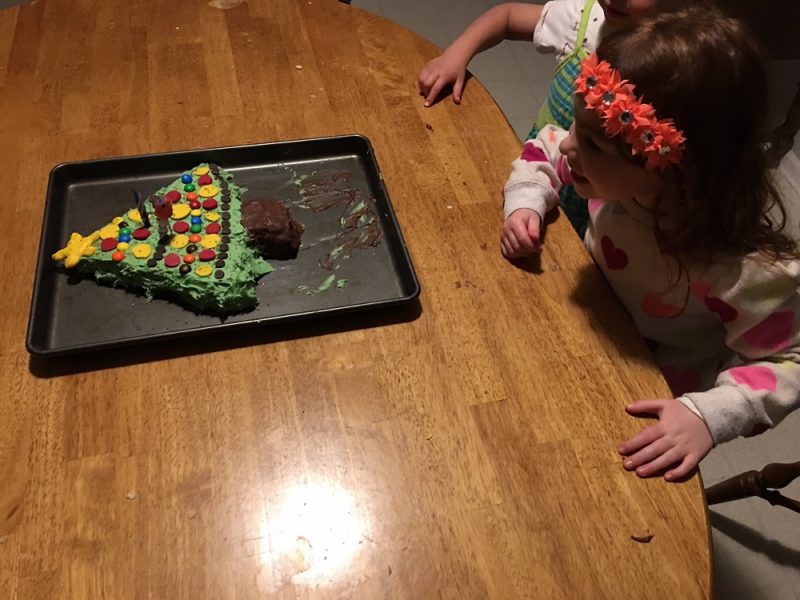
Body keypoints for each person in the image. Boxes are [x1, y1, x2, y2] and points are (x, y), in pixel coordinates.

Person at [500, 8, 800, 480]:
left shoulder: (741, 271)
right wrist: (526, 200)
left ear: (675, 170)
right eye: (579, 127)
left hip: (636, 407)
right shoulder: (609, 172)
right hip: (572, 342)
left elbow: (790, 360)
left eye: (596, 145)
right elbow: (546, 147)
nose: (571, 146)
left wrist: (710, 415)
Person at [418, 1, 693, 237]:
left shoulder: (681, 71)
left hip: (609, 211)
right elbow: (508, 16)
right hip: (542, 169)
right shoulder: (583, 20)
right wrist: (455, 55)